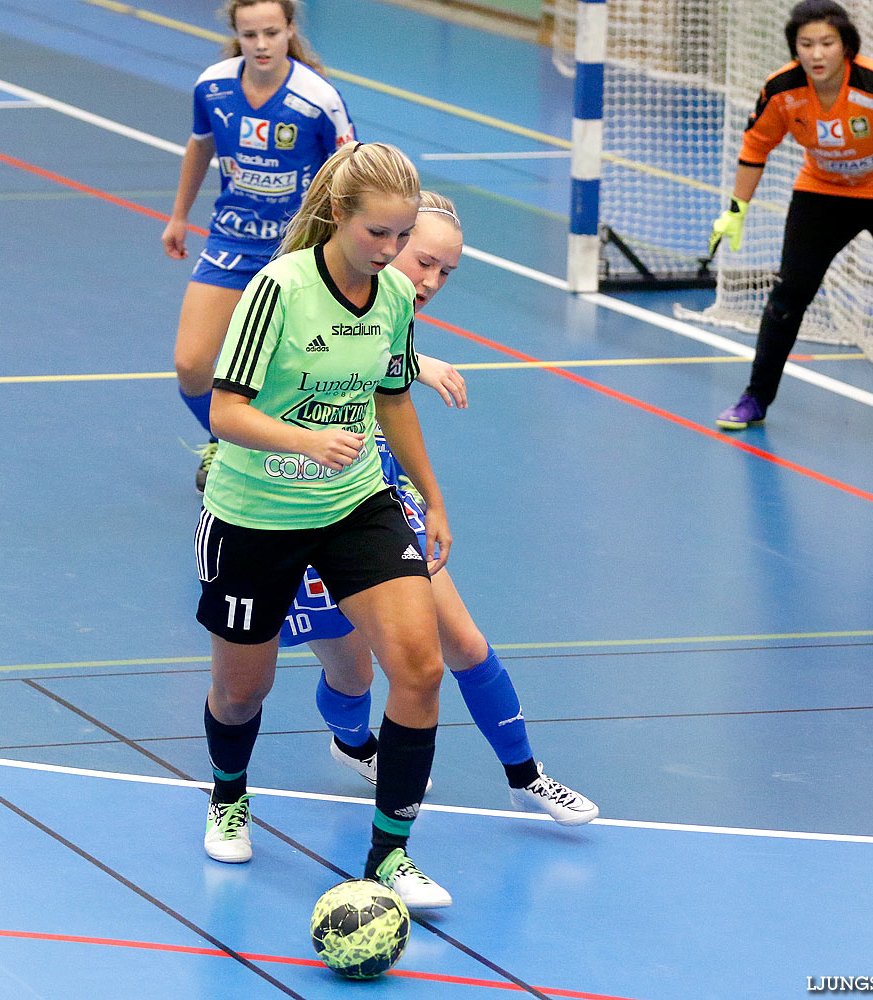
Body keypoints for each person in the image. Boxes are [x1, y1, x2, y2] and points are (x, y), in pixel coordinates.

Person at [280, 192, 599, 827]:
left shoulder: (393, 310)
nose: (431, 281)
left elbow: (386, 388)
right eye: (423, 261)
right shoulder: (297, 292)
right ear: (385, 240)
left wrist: (430, 496)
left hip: (375, 498)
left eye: (446, 272)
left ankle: (525, 776)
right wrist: (415, 364)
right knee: (352, 675)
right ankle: (351, 741)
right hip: (296, 502)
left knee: (464, 642)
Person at [195, 141, 453, 909]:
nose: (393, 251)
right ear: (340, 215)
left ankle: (389, 857)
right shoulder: (279, 289)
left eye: (403, 235)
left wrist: (433, 497)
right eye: (379, 233)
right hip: (256, 513)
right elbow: (224, 410)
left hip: (355, 503)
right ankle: (229, 795)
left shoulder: (396, 297)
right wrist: (308, 440)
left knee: (420, 667)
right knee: (243, 691)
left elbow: (394, 398)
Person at [709, 0, 873, 444]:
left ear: (845, 46)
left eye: (826, 43)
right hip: (824, 191)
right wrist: (736, 209)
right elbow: (756, 146)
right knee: (789, 292)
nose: (816, 54)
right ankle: (755, 398)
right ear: (795, 49)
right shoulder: (783, 92)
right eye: (806, 44)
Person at [162, 0, 355, 491]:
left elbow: (351, 170)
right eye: (250, 35)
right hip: (232, 242)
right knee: (191, 365)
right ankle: (225, 438)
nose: (262, 44)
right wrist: (179, 216)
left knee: (300, 368)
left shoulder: (318, 99)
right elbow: (200, 144)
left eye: (272, 32)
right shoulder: (213, 85)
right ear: (237, 35)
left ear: (290, 29)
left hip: (298, 250)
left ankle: (304, 452)